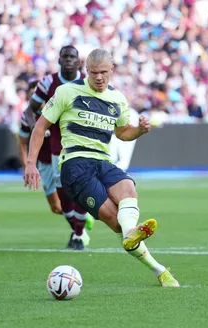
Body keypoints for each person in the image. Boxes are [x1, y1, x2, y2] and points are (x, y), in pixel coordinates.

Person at [24, 49, 179, 287]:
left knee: (129, 189)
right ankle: (157, 268)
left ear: (112, 71)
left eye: (104, 73)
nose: (99, 77)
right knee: (115, 221)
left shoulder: (117, 99)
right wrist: (30, 163)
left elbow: (122, 132)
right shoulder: (67, 92)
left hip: (103, 162)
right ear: (86, 71)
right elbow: (40, 126)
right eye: (94, 72)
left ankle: (134, 239)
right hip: (75, 165)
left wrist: (139, 130)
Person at [23, 45, 92, 250]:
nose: (69, 60)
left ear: (79, 61)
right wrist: (37, 126)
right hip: (56, 146)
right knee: (63, 194)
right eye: (65, 56)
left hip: (81, 145)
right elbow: (30, 110)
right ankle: (77, 229)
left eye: (73, 57)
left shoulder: (88, 82)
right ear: (60, 60)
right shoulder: (48, 82)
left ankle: (78, 235)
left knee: (79, 188)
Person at [18, 80, 62, 217]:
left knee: (70, 199)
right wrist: (27, 167)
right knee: (56, 207)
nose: (35, 98)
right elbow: (22, 144)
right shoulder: (27, 118)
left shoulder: (56, 110)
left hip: (61, 159)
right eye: (32, 95)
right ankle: (80, 223)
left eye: (37, 95)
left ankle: (79, 231)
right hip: (45, 164)